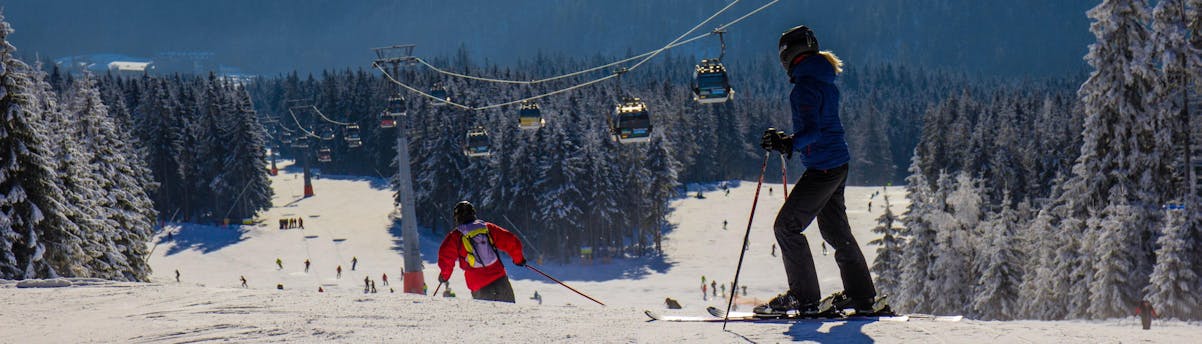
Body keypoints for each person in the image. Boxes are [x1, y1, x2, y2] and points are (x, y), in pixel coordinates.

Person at [756, 25, 879, 316]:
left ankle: (804, 298)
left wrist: (787, 143)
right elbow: (819, 127)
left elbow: (813, 130)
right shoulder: (823, 79)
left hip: (824, 168)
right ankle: (861, 296)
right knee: (836, 230)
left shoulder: (804, 88)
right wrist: (790, 142)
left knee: (786, 226)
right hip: (837, 163)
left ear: (788, 55)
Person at [437, 201, 526, 303]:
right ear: (473, 214)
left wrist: (445, 275)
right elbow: (511, 241)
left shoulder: (455, 236)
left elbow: (446, 256)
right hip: (500, 279)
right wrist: (519, 259)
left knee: (488, 316)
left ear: (457, 218)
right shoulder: (487, 228)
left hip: (478, 284)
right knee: (509, 314)